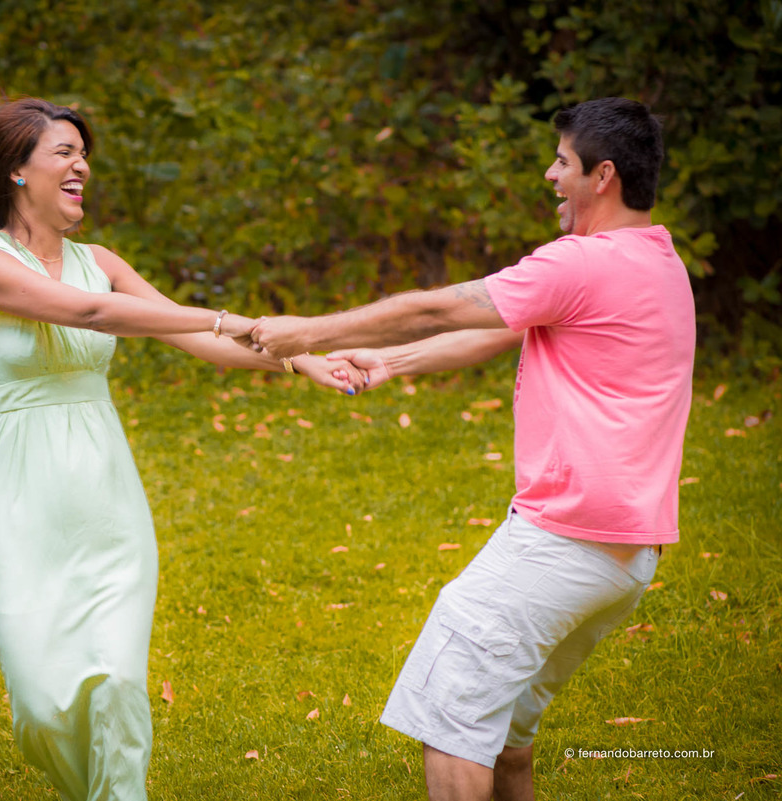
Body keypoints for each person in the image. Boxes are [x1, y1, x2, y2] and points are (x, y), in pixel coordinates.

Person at [0, 72, 363, 801]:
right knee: (41, 707)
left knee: (119, 682)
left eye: (84, 155)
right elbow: (92, 315)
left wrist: (302, 359)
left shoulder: (102, 262)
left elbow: (202, 343)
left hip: (105, 493)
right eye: (64, 152)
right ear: (17, 170)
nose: (82, 166)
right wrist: (228, 316)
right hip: (20, 497)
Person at [244, 97, 695, 800]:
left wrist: (310, 331)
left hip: (563, 542)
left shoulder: (580, 263)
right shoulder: (656, 261)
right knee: (507, 730)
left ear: (602, 175)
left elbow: (437, 305)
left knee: (451, 716)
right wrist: (393, 363)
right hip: (627, 554)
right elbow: (504, 327)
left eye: (562, 162)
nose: (550, 175)